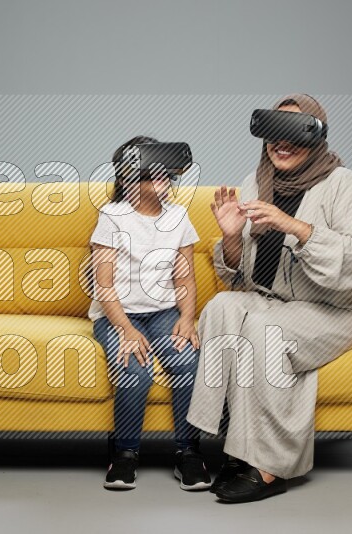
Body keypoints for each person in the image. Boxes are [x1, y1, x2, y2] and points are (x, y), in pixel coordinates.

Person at [186, 94, 352, 503]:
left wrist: (296, 227)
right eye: (275, 132)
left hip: (334, 310)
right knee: (221, 308)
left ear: (317, 136)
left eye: (295, 132)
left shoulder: (343, 183)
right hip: (273, 300)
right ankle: (234, 440)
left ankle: (271, 467)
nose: (282, 143)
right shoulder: (257, 183)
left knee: (263, 330)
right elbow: (238, 277)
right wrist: (231, 237)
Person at [89, 136, 211, 491]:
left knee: (187, 362)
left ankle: (189, 453)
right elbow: (104, 284)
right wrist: (126, 329)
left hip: (164, 312)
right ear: (128, 177)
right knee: (135, 371)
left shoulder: (178, 216)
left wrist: (186, 318)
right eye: (150, 171)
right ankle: (125, 454)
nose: (162, 178)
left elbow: (184, 277)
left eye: (164, 171)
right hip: (117, 316)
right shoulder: (112, 217)